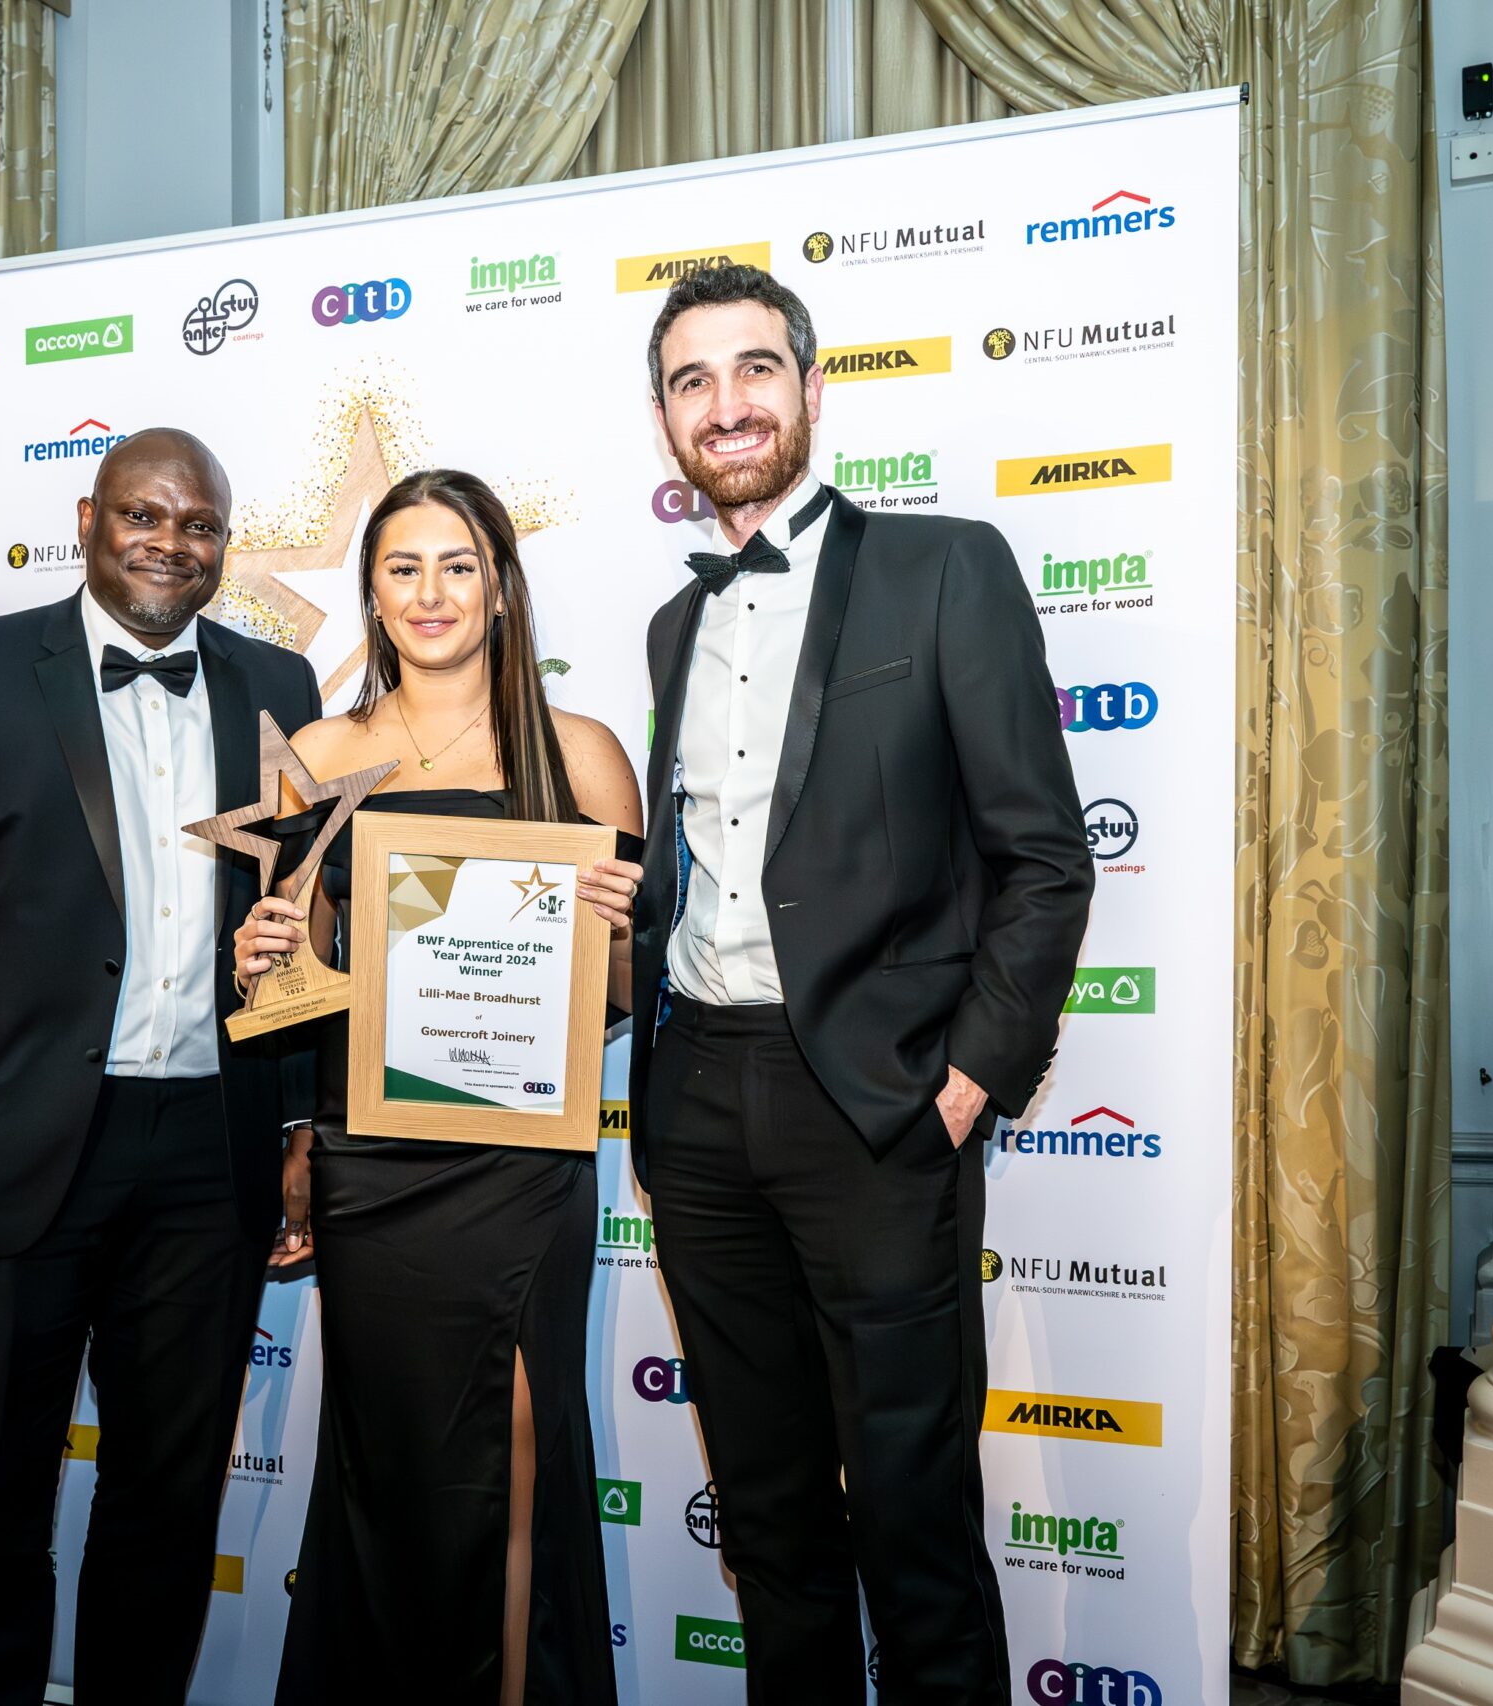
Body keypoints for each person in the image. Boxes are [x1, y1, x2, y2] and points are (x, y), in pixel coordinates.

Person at [627, 265, 1095, 1703]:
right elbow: (701, 871)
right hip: (699, 1106)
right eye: (693, 382)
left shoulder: (945, 568)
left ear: (813, 390)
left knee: (913, 1520)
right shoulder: (673, 625)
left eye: (755, 370)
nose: (728, 406)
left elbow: (1044, 855)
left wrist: (964, 1082)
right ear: (665, 421)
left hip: (878, 1111)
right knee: (769, 1518)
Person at [0, 428, 320, 1706]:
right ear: (88, 515)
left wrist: (296, 1125)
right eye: (145, 515)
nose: (172, 542)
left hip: (204, 1156)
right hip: (13, 1143)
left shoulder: (280, 680)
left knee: (168, 1495)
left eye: (201, 525)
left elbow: (298, 934)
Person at [234, 469, 644, 1706]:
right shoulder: (317, 753)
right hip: (374, 1161)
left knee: (516, 1455)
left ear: (503, 588)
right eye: (403, 567)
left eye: (458, 564)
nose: (430, 592)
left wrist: (614, 930)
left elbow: (621, 996)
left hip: (520, 1162)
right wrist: (261, 956)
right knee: (392, 1463)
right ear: (371, 591)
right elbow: (283, 986)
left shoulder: (581, 755)